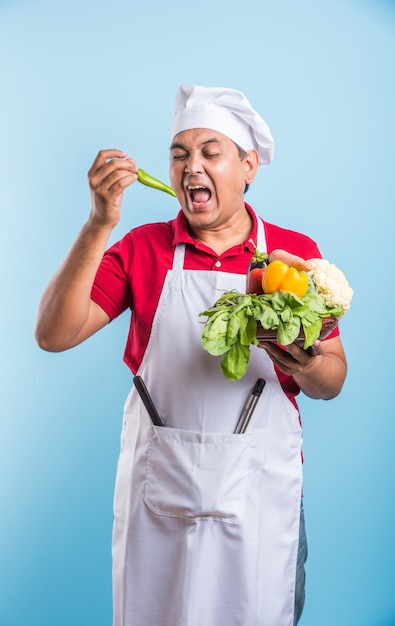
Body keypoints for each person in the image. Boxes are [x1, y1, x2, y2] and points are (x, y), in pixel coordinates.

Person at [35, 84, 347, 626]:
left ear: (248, 166)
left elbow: (333, 379)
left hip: (261, 492)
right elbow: (54, 334)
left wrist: (308, 362)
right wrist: (98, 224)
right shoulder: (142, 247)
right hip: (158, 492)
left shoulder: (291, 260)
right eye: (179, 154)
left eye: (210, 152)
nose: (190, 167)